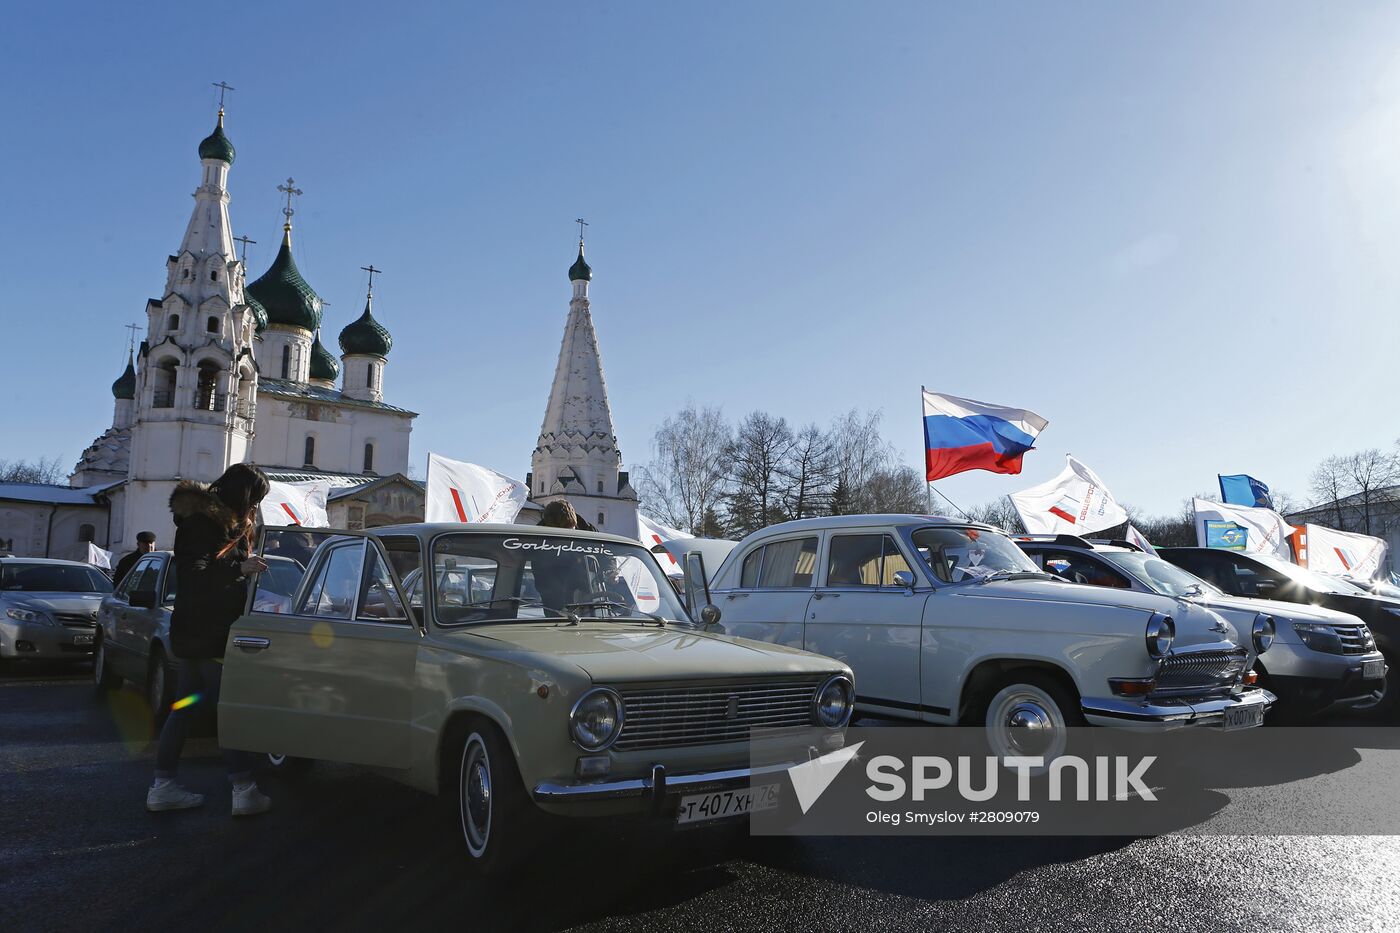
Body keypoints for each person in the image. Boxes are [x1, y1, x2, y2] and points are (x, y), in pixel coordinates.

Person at [146, 463, 272, 817]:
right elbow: (194, 576)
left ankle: (163, 785)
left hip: (196, 632)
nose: (256, 507)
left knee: (185, 710)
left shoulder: (210, 522)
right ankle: (244, 788)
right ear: (242, 495)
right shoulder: (203, 525)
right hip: (210, 634)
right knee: (227, 711)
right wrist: (239, 568)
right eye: (256, 499)